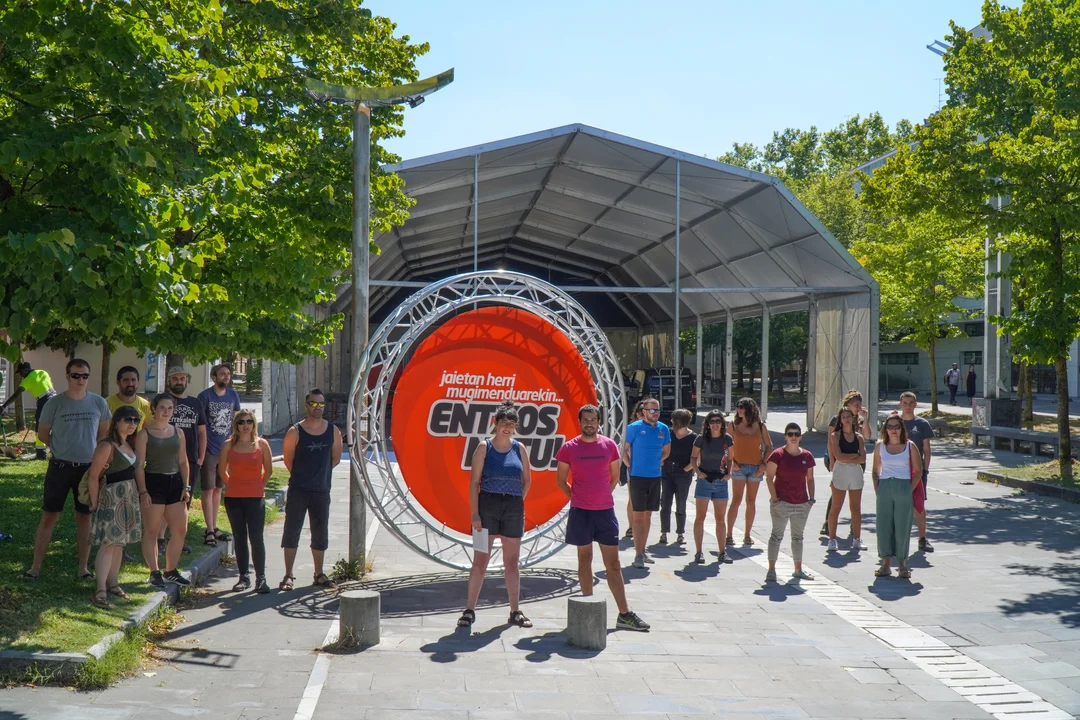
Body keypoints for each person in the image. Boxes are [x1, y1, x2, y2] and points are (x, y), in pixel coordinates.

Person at [555, 404, 650, 631]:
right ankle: (587, 611)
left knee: (613, 565)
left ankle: (624, 614)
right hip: (580, 512)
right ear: (580, 422)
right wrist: (577, 497)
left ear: (599, 422)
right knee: (584, 560)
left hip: (605, 512)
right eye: (585, 419)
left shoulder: (609, 446)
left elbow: (614, 477)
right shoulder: (569, 448)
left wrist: (601, 496)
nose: (589, 423)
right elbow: (561, 480)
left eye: (593, 419)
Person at [25, 359, 112, 580]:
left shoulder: (98, 402)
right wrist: (60, 448)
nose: (80, 380)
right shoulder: (54, 403)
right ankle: (35, 568)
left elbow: (103, 434)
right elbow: (43, 433)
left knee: (85, 518)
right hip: (60, 467)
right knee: (49, 516)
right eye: (75, 375)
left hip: (88, 470)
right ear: (67, 376)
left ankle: (83, 568)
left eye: (84, 376)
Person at [458, 400, 533, 628]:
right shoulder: (484, 447)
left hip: (513, 508)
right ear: (495, 423)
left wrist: (516, 500)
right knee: (480, 561)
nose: (507, 427)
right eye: (504, 423)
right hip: (487, 507)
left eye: (511, 423)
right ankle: (469, 610)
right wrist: (475, 513)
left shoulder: (520, 448)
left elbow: (527, 481)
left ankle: (515, 611)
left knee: (512, 563)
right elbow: (474, 483)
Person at [280, 389, 343, 591]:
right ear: (306, 405)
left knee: (320, 532)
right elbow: (288, 460)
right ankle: (288, 575)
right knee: (292, 531)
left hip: (321, 490)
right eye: (313, 403)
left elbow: (335, 459)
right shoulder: (295, 431)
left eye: (321, 404)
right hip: (298, 490)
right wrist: (303, 476)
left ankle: (319, 573)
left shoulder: (333, 431)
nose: (318, 407)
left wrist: (319, 475)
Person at [87, 406, 143, 607]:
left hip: (128, 499)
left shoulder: (130, 444)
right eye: (128, 419)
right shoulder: (106, 445)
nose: (132, 424)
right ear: (117, 421)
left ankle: (113, 583)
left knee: (120, 544)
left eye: (135, 420)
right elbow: (93, 477)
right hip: (111, 499)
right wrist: (95, 503)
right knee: (108, 544)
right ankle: (100, 589)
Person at [136, 394, 191, 587]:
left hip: (175, 482)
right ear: (154, 409)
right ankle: (154, 572)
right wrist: (143, 491)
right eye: (162, 408)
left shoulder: (178, 432)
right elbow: (139, 465)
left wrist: (186, 486)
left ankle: (171, 570)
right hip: (153, 482)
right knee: (151, 530)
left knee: (180, 529)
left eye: (170, 408)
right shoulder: (144, 434)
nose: (166, 412)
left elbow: (183, 462)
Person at [219, 409, 273, 594]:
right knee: (239, 537)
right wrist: (233, 485)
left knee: (256, 538)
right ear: (236, 424)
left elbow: (268, 471)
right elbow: (222, 471)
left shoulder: (262, 444)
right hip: (233, 498)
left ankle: (261, 578)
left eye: (249, 421)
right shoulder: (228, 445)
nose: (245, 425)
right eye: (241, 422)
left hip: (255, 497)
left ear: (254, 424)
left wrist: (258, 486)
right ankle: (244, 577)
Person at [764, 422, 816, 583]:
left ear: (800, 437)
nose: (794, 437)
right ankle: (771, 570)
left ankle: (798, 570)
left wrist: (811, 500)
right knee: (776, 536)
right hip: (782, 503)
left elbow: (810, 479)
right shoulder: (777, 455)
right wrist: (775, 500)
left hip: (802, 503)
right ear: (785, 437)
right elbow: (769, 478)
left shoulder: (807, 456)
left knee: (798, 537)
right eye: (790, 434)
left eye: (797, 434)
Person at [161, 367, 205, 554]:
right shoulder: (162, 401)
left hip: (191, 460)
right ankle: (160, 539)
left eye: (182, 378)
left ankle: (178, 539)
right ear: (169, 380)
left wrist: (201, 457)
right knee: (164, 500)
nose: (179, 381)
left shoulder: (195, 403)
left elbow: (202, 431)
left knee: (184, 499)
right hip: (166, 459)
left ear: (187, 381)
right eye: (175, 378)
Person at [872, 413, 923, 578]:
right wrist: (878, 490)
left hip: (903, 485)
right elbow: (875, 470)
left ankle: (902, 565)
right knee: (883, 526)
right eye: (890, 426)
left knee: (902, 526)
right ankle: (885, 564)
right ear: (885, 429)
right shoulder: (880, 446)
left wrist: (909, 489)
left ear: (902, 428)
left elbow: (918, 471)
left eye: (896, 426)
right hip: (885, 486)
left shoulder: (909, 446)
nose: (893, 430)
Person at [622, 397, 670, 569]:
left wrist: (659, 460)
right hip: (637, 477)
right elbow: (623, 449)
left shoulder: (663, 429)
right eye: (652, 410)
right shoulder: (634, 428)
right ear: (644, 412)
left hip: (655, 477)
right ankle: (638, 554)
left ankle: (642, 550)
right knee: (638, 516)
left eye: (657, 410)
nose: (655, 413)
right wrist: (629, 465)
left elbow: (666, 451)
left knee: (648, 516)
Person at [197, 363, 241, 547]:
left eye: (228, 374)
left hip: (226, 449)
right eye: (222, 374)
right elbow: (200, 425)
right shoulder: (205, 396)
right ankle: (208, 530)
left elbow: (237, 420)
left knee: (218, 489)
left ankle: (214, 527)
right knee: (208, 489)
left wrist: (236, 444)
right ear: (213, 377)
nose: (226, 377)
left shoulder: (233, 395)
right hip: (209, 449)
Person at [821, 389, 870, 536]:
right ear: (848, 404)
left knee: (854, 490)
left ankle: (854, 526)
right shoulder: (838, 419)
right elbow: (830, 442)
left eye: (860, 404)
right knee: (838, 491)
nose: (858, 407)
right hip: (838, 460)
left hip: (856, 463)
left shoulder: (859, 419)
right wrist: (832, 460)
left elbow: (867, 436)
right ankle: (828, 522)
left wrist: (865, 419)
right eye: (856, 404)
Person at [690, 410, 733, 565]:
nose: (715, 424)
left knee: (720, 519)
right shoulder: (701, 438)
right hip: (705, 480)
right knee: (700, 517)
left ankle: (722, 552)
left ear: (722, 424)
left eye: (718, 421)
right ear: (707, 424)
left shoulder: (727, 439)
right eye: (712, 421)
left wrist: (729, 473)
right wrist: (698, 472)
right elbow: (693, 458)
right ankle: (698, 552)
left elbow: (730, 459)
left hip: (721, 480)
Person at [727, 397, 771, 546]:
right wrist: (731, 462)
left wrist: (764, 463)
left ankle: (747, 535)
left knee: (751, 501)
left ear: (749, 409)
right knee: (736, 500)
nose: (738, 410)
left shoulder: (760, 426)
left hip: (755, 468)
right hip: (738, 467)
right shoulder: (733, 425)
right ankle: (729, 534)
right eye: (738, 407)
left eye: (742, 407)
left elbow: (769, 446)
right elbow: (725, 445)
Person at [826, 406, 867, 552]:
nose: (846, 419)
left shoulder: (859, 437)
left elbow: (863, 458)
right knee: (836, 506)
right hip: (841, 470)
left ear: (853, 418)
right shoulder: (835, 435)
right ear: (840, 420)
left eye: (848, 416)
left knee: (855, 508)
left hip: (855, 471)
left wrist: (849, 458)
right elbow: (838, 456)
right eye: (843, 417)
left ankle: (857, 539)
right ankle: (832, 539)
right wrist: (854, 456)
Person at [899, 391, 934, 553]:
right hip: (898, 470)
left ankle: (922, 538)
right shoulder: (894, 423)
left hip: (917, 471)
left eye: (910, 403)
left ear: (915, 404)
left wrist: (925, 469)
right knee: (898, 505)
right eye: (905, 403)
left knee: (919, 505)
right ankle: (898, 538)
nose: (908, 406)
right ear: (900, 404)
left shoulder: (922, 424)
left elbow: (926, 449)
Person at [0, 361, 57, 459]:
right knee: (54, 426)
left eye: (21, 372)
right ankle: (56, 450)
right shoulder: (42, 372)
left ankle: (41, 453)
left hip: (44, 402)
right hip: (55, 399)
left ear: (26, 370)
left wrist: (4, 406)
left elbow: (16, 395)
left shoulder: (27, 380)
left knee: (40, 427)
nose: (21, 375)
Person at [659, 408, 696, 545]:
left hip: (683, 472)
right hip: (667, 469)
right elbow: (661, 449)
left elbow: (697, 457)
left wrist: (687, 469)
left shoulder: (693, 437)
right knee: (665, 502)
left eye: (673, 419)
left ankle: (680, 533)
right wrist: (661, 461)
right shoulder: (668, 433)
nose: (671, 421)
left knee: (681, 502)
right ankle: (664, 532)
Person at [623, 400, 646, 539]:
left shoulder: (657, 428)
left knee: (646, 501)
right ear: (636, 414)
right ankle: (631, 526)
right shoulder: (631, 429)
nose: (644, 415)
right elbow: (622, 449)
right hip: (634, 470)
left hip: (650, 471)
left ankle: (642, 527)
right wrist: (629, 465)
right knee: (633, 498)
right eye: (641, 412)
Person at [106, 366, 151, 431]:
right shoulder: (106, 404)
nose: (130, 384)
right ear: (118, 382)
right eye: (126, 380)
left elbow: (146, 432)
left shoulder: (146, 405)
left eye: (133, 380)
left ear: (138, 382)